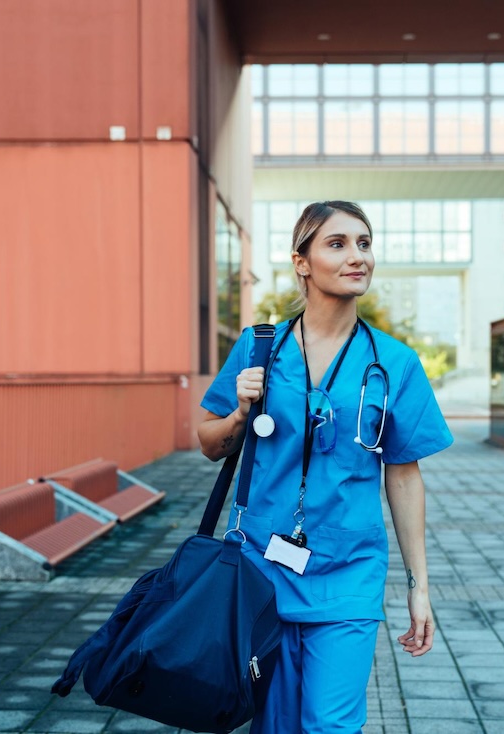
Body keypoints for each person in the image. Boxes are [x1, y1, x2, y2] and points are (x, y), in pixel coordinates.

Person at [198, 201, 453, 733]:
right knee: (273, 723)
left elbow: (403, 475)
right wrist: (241, 413)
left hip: (348, 571)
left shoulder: (394, 363)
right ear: (302, 262)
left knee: (331, 725)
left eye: (364, 243)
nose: (357, 256)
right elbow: (209, 443)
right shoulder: (259, 348)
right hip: (260, 569)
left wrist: (419, 585)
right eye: (337, 244)